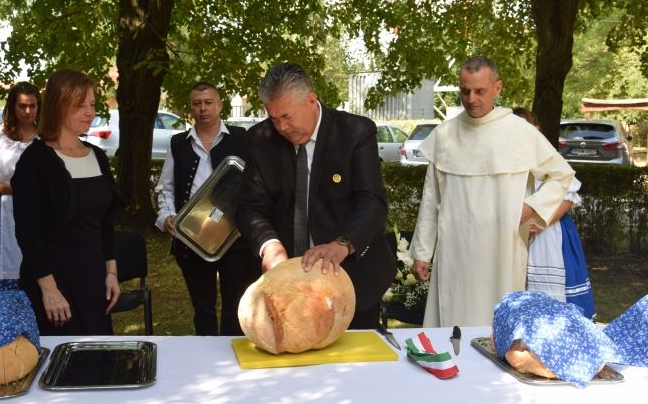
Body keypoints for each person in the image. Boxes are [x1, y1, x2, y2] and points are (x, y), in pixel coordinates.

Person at [409, 56, 575, 327]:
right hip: (455, 252)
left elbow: (561, 175)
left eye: (479, 91)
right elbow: (431, 199)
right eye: (465, 91)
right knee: (451, 326)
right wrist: (422, 252)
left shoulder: (520, 132)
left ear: (497, 88)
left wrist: (532, 206)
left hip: (502, 249)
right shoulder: (446, 135)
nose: (471, 98)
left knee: (498, 326)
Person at [236, 62, 396, 329]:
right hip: (286, 287)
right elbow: (250, 207)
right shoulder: (260, 139)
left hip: (351, 283)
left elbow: (372, 201)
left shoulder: (355, 132)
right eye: (274, 118)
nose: (281, 127)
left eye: (287, 116)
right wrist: (269, 244)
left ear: (312, 100)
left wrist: (342, 244)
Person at [11, 69, 124, 335]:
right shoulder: (35, 161)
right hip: (55, 286)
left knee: (99, 363)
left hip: (94, 281)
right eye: (79, 105)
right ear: (59, 106)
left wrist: (112, 272)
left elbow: (106, 223)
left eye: (92, 104)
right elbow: (28, 233)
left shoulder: (98, 156)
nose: (89, 112)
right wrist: (49, 290)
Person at [155, 82, 261, 336]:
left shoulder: (241, 139)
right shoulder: (178, 144)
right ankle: (205, 359)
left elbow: (257, 183)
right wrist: (165, 216)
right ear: (191, 107)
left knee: (236, 305)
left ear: (220, 105)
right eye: (197, 103)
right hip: (192, 238)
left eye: (208, 102)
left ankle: (231, 356)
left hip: (235, 237)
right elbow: (166, 188)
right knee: (202, 308)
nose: (203, 109)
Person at [512, 107, 596, 320]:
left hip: (551, 235)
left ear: (536, 130)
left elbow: (568, 197)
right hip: (517, 238)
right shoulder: (508, 163)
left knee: (555, 304)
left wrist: (538, 224)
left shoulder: (549, 159)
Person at [0, 82, 41, 285]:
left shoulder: (45, 140)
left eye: (32, 106)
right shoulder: (1, 137)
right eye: (22, 106)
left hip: (36, 213)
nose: (27, 112)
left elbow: (48, 185)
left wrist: (10, 188)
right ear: (12, 107)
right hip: (3, 214)